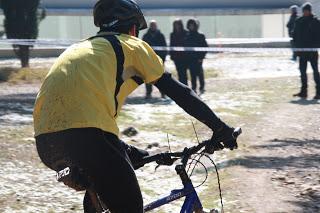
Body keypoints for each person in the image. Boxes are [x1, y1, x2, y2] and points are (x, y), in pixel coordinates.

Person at [33, 0, 239, 212]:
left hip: (46, 141)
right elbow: (180, 92)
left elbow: (80, 116)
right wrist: (220, 129)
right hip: (89, 137)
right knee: (129, 206)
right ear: (133, 28)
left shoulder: (80, 48)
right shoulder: (132, 45)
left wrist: (129, 152)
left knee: (101, 187)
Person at [293, 2, 320, 99]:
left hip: (312, 51)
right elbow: (295, 35)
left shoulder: (316, 21)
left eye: (307, 11)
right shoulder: (299, 21)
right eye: (304, 11)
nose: (305, 13)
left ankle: (318, 92)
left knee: (315, 71)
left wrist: (315, 45)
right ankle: (303, 92)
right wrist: (296, 49)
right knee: (302, 72)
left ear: (310, 11)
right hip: (302, 51)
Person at [142, 20, 167, 99]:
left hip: (158, 61)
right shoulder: (146, 36)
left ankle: (163, 93)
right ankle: (148, 93)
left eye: (154, 25)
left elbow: (164, 48)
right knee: (148, 78)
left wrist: (162, 59)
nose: (153, 26)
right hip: (148, 61)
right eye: (151, 25)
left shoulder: (161, 35)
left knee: (160, 78)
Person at [185, 19, 208, 94]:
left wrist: (201, 57)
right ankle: (194, 88)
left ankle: (202, 87)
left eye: (193, 25)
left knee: (200, 73)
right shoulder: (187, 36)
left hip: (198, 59)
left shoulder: (200, 35)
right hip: (190, 59)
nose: (191, 26)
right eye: (190, 25)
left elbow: (205, 47)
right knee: (192, 74)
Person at [170, 19, 188, 85]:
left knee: (184, 73)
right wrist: (172, 56)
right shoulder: (172, 34)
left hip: (184, 57)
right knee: (179, 73)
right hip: (176, 57)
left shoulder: (186, 33)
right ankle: (182, 87)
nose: (177, 26)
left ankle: (186, 87)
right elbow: (171, 45)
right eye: (175, 25)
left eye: (178, 24)